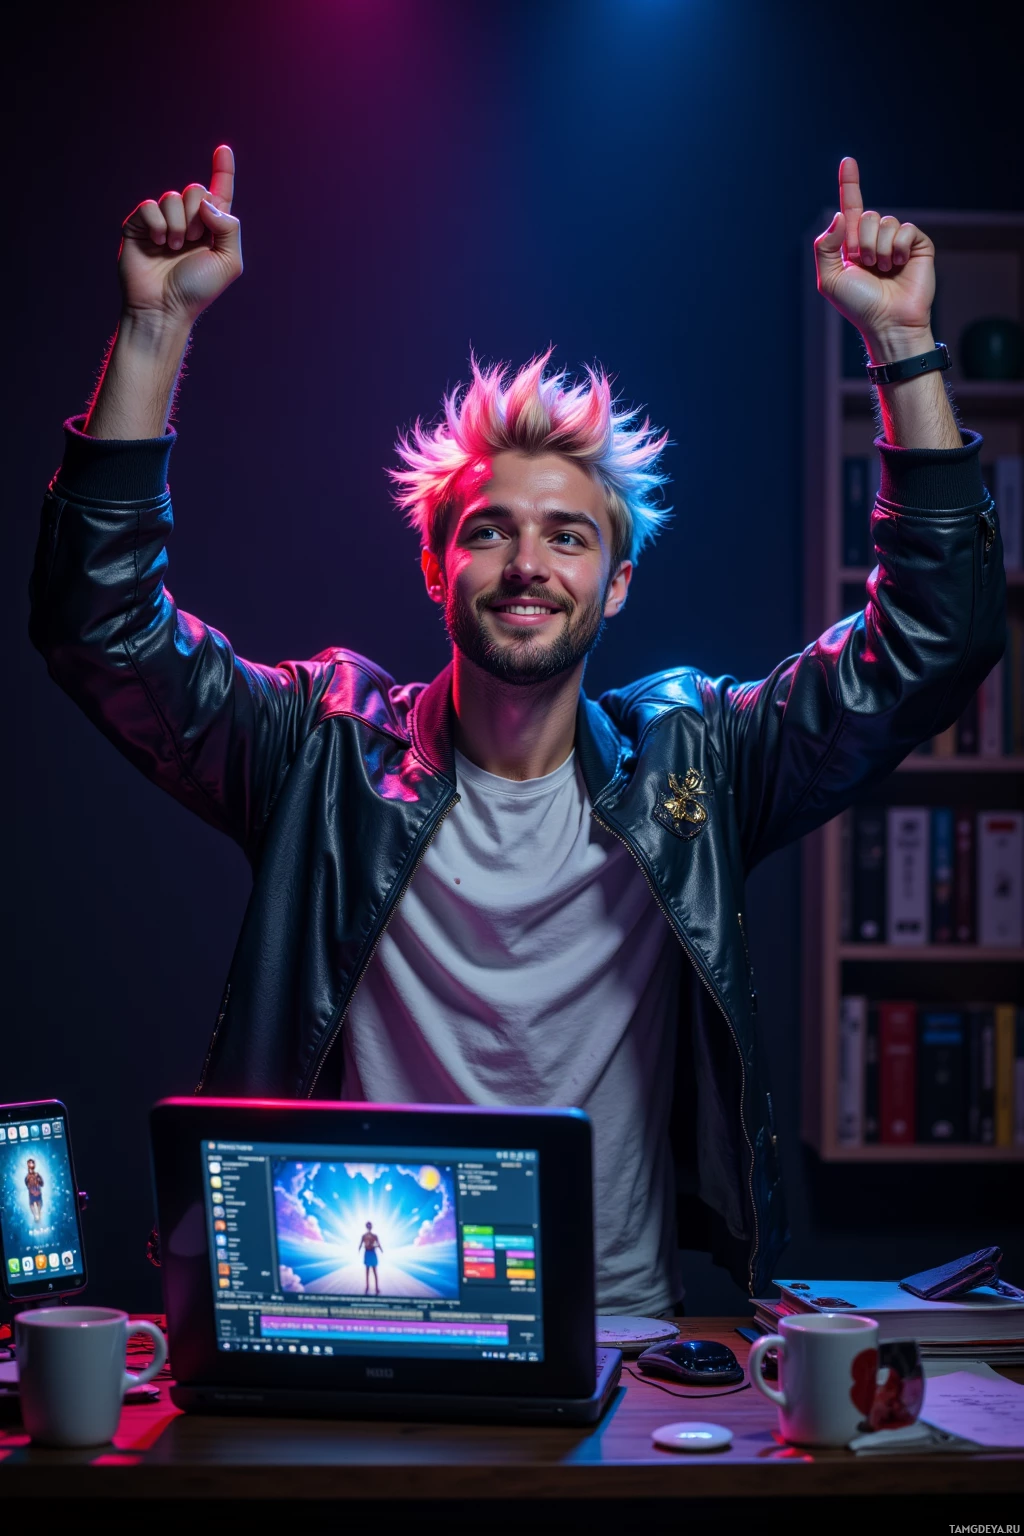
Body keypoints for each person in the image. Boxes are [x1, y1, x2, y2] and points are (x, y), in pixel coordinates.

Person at [29, 148, 1005, 1314]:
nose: (528, 564)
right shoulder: (321, 751)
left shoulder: (695, 760)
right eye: (489, 531)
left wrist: (902, 346)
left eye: (569, 536)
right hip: (349, 1329)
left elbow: (933, 643)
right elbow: (100, 624)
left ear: (621, 581)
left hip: (621, 1343)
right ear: (435, 564)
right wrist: (152, 331)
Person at [359, 1222, 383, 1296]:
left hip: (372, 1253)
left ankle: (376, 1287)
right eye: (368, 1226)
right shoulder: (364, 1236)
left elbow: (378, 1244)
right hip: (368, 1253)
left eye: (370, 1226)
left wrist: (380, 1248)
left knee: (374, 1271)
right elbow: (360, 1244)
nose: (369, 1227)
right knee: (368, 1271)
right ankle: (368, 1287)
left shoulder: (374, 1236)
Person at [25, 1160, 44, 1225]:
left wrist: (38, 1181)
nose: (30, 1165)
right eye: (29, 1164)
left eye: (31, 1163)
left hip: (37, 1194)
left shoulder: (37, 1175)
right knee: (33, 1205)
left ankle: (38, 1216)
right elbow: (27, 1185)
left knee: (38, 1205)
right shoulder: (27, 1177)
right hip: (33, 1194)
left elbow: (42, 1184)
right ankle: (36, 1217)